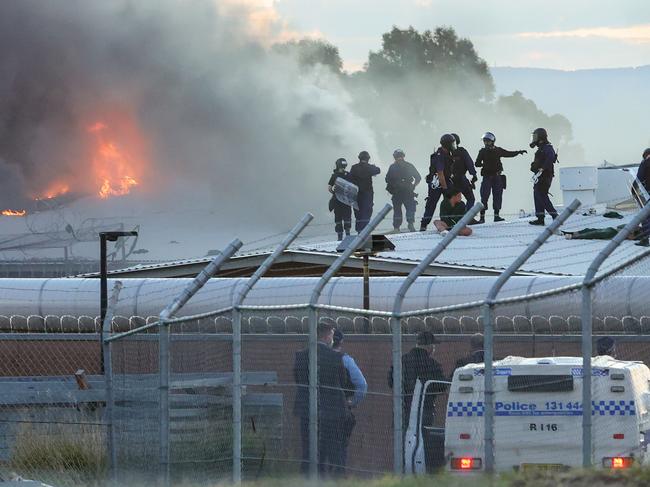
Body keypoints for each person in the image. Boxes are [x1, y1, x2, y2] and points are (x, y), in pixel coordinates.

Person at [293, 322, 350, 475]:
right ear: (326, 336)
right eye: (331, 334)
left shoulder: (301, 355)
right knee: (333, 450)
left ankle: (307, 480)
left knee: (309, 448)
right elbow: (342, 381)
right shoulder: (335, 357)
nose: (332, 338)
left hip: (307, 408)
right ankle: (334, 479)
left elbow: (298, 379)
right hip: (331, 410)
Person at [387, 331, 448, 471]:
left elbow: (391, 381)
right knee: (422, 445)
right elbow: (441, 386)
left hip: (402, 409)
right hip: (423, 410)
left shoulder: (402, 361)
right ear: (430, 346)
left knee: (403, 446)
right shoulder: (431, 363)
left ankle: (402, 473)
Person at [332, 329, 367, 469]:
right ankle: (338, 477)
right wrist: (352, 402)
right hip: (341, 408)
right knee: (340, 447)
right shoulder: (345, 360)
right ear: (341, 342)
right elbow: (362, 385)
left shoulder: (317, 358)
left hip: (321, 408)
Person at [474, 132, 527, 224]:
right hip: (487, 177)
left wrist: (518, 152)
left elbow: (508, 153)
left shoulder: (498, 150)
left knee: (498, 196)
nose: (486, 143)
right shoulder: (482, 151)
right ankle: (482, 218)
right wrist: (485, 165)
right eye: (485, 141)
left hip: (497, 177)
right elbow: (477, 163)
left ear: (492, 141)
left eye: (488, 141)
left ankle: (496, 216)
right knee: (484, 196)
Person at [420, 134, 456, 231]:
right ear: (447, 144)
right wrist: (445, 189)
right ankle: (423, 225)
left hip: (445, 181)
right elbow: (440, 173)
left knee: (449, 203)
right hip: (437, 183)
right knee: (432, 204)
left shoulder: (447, 154)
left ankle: (446, 223)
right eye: (452, 143)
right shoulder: (440, 156)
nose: (453, 145)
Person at [385, 149, 421, 233]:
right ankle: (411, 224)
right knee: (410, 208)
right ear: (403, 156)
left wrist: (393, 186)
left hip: (396, 192)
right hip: (408, 191)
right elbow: (418, 178)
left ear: (394, 157)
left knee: (397, 210)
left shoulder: (392, 167)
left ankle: (396, 228)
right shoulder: (409, 165)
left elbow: (387, 179)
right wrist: (413, 186)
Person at [529, 127, 559, 226]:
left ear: (540, 137)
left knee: (541, 195)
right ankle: (540, 218)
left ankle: (555, 216)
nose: (534, 139)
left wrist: (542, 168)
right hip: (539, 176)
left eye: (535, 136)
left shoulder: (548, 147)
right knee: (537, 195)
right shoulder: (541, 148)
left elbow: (550, 157)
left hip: (545, 176)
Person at [349, 151, 380, 233]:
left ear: (359, 158)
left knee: (358, 212)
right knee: (367, 211)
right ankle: (365, 230)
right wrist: (373, 166)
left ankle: (359, 230)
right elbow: (378, 170)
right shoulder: (370, 167)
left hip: (357, 194)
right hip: (368, 194)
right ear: (368, 158)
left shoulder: (354, 167)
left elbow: (350, 178)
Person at [450, 133, 478, 210]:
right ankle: (466, 217)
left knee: (451, 201)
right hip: (461, 179)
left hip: (449, 181)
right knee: (470, 198)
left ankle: (453, 219)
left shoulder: (444, 153)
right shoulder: (462, 151)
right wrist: (474, 175)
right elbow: (469, 163)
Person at [328, 158, 352, 241]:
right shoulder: (349, 175)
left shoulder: (334, 175)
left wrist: (334, 193)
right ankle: (348, 234)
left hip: (337, 200)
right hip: (347, 200)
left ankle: (339, 237)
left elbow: (330, 188)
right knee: (347, 217)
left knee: (338, 217)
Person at [634, 148, 650, 246]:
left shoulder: (645, 163)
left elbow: (638, 178)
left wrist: (633, 190)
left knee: (645, 216)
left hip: (648, 193)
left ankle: (645, 239)